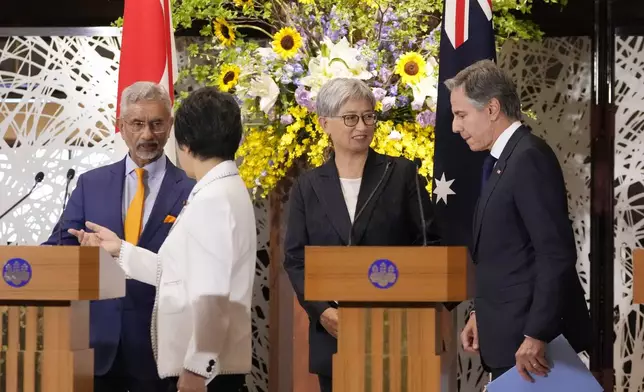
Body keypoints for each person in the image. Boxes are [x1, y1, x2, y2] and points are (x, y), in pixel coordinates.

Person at [70, 86, 255, 392]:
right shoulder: (224, 189)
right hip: (208, 363)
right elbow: (179, 273)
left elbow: (214, 295)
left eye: (158, 124)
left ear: (183, 141)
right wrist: (121, 250)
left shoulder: (212, 199)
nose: (148, 135)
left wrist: (197, 368)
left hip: (207, 370)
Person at [282, 77, 442, 392]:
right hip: (335, 331)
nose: (362, 126)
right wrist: (322, 311)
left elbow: (428, 244)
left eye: (369, 116)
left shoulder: (401, 173)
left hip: (396, 330)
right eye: (351, 118)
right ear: (324, 123)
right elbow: (296, 258)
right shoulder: (308, 186)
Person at [43, 81, 195, 392]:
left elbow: (195, 267)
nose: (147, 134)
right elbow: (56, 249)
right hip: (96, 344)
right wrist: (83, 253)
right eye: (137, 124)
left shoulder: (192, 190)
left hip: (159, 348)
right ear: (121, 126)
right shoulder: (91, 184)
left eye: (156, 124)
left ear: (171, 125)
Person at [450, 60, 591, 383]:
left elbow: (554, 254)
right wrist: (479, 314)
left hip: (529, 346)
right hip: (506, 335)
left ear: (492, 108)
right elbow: (506, 255)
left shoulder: (528, 158)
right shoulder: (503, 161)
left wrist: (537, 333)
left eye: (461, 115)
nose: (456, 127)